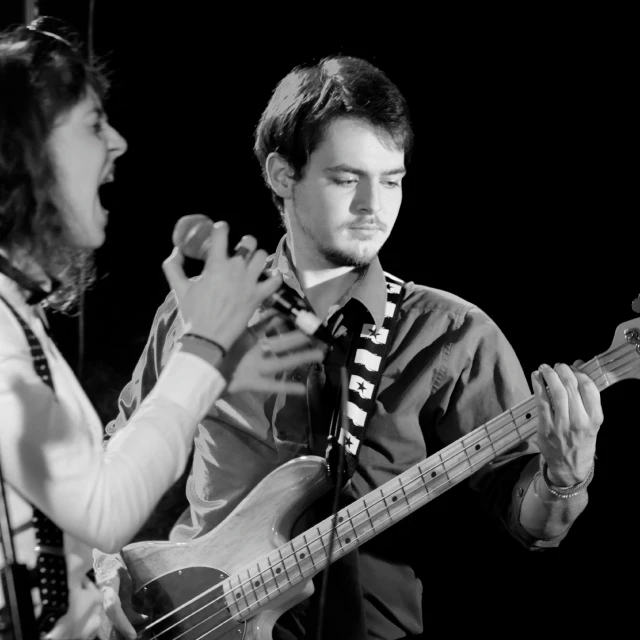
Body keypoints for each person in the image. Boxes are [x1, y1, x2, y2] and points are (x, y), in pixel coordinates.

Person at [98, 56, 603, 639]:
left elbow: (534, 525)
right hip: (190, 622)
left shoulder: (455, 336)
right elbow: (119, 455)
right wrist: (105, 569)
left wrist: (566, 475)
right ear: (282, 175)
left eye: (391, 180)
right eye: (346, 179)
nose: (374, 206)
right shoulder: (206, 308)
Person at [0, 17, 324, 640]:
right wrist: (201, 351)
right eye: (93, 125)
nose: (118, 143)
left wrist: (211, 366)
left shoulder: (17, 314)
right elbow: (105, 508)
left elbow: (80, 489)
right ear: (25, 149)